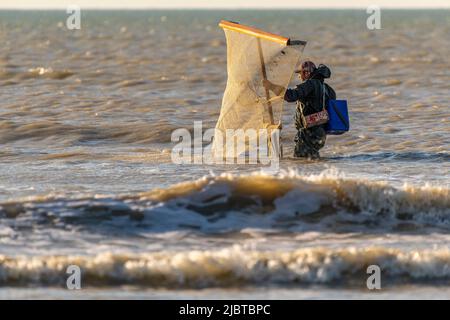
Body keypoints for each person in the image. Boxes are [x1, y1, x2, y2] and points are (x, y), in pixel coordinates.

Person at [263, 61, 336, 159]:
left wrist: (270, 86)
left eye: (300, 73)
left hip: (308, 133)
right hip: (321, 134)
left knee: (301, 160)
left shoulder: (310, 84)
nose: (299, 77)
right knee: (311, 161)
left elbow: (290, 96)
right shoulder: (328, 89)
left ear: (307, 73)